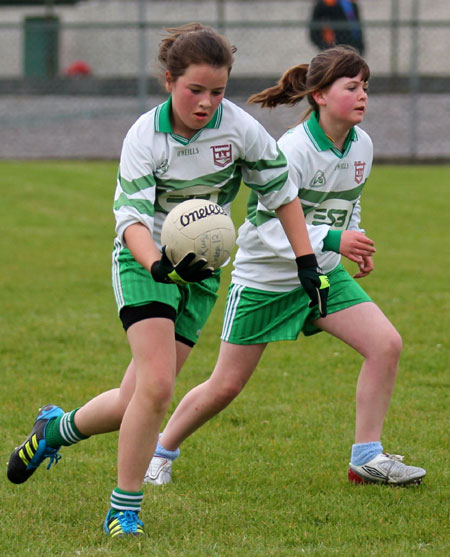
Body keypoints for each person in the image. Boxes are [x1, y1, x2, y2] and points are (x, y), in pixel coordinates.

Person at [6, 23, 329, 538]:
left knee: (134, 396)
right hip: (144, 263)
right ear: (169, 81)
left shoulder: (240, 129)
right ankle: (123, 509)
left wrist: (307, 261)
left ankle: (54, 428)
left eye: (217, 91)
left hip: (200, 274)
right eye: (194, 90)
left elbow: (282, 193)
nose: (206, 103)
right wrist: (157, 264)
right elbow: (131, 219)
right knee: (158, 387)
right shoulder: (146, 135)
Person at [145, 45, 426, 488]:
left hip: (322, 276)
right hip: (265, 281)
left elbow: (345, 205)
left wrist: (355, 240)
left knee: (385, 344)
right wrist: (335, 239)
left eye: (365, 88)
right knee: (226, 386)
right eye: (351, 87)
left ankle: (366, 458)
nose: (363, 96)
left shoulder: (362, 145)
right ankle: (161, 450)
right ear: (319, 95)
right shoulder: (291, 150)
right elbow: (264, 227)